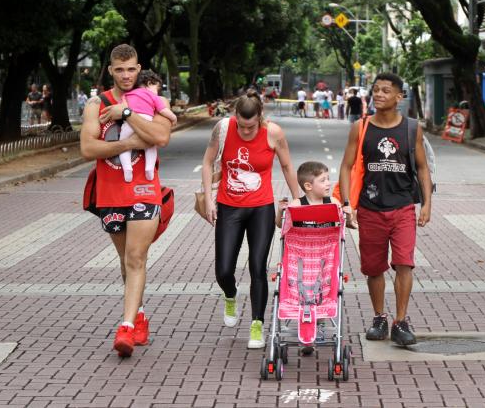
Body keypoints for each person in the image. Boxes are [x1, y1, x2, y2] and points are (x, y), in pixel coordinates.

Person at [79, 44, 173, 357]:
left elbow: (160, 137)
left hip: (145, 189)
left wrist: (128, 113)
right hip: (110, 193)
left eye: (131, 69)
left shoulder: (151, 99)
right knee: (125, 262)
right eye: (119, 70)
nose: (126, 75)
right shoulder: (97, 104)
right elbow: (89, 150)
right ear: (110, 71)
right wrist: (130, 143)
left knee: (135, 257)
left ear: (138, 67)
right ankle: (140, 315)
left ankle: (127, 328)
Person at [200, 89, 301, 349]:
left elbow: (288, 166)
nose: (246, 132)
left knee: (258, 267)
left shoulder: (274, 133)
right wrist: (210, 200)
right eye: (242, 126)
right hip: (229, 206)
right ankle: (230, 294)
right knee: (223, 270)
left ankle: (257, 325)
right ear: (235, 116)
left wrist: (298, 198)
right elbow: (208, 161)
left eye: (251, 126)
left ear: (260, 117)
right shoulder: (223, 128)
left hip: (261, 208)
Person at [339, 73, 432, 346]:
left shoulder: (411, 128)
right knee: (373, 268)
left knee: (404, 263)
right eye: (376, 90)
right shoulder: (361, 127)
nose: (379, 94)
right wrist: (347, 204)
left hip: (403, 206)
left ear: (399, 97)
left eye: (386, 91)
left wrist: (427, 204)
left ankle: (400, 321)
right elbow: (346, 166)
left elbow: (423, 167)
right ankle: (379, 317)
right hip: (370, 207)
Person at [119, 70, 177, 182]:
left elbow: (119, 109)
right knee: (151, 146)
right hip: (147, 120)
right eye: (157, 88)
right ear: (150, 83)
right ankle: (149, 168)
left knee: (123, 146)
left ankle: (127, 169)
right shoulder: (153, 96)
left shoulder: (127, 95)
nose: (157, 91)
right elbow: (163, 110)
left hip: (129, 123)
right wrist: (173, 117)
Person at [276, 161, 341, 228]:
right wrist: (280, 211)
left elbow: (343, 222)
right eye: (323, 180)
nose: (328, 183)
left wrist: (348, 215)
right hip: (301, 238)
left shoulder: (333, 203)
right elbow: (281, 225)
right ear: (308, 186)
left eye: (328, 179)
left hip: (329, 238)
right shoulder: (296, 205)